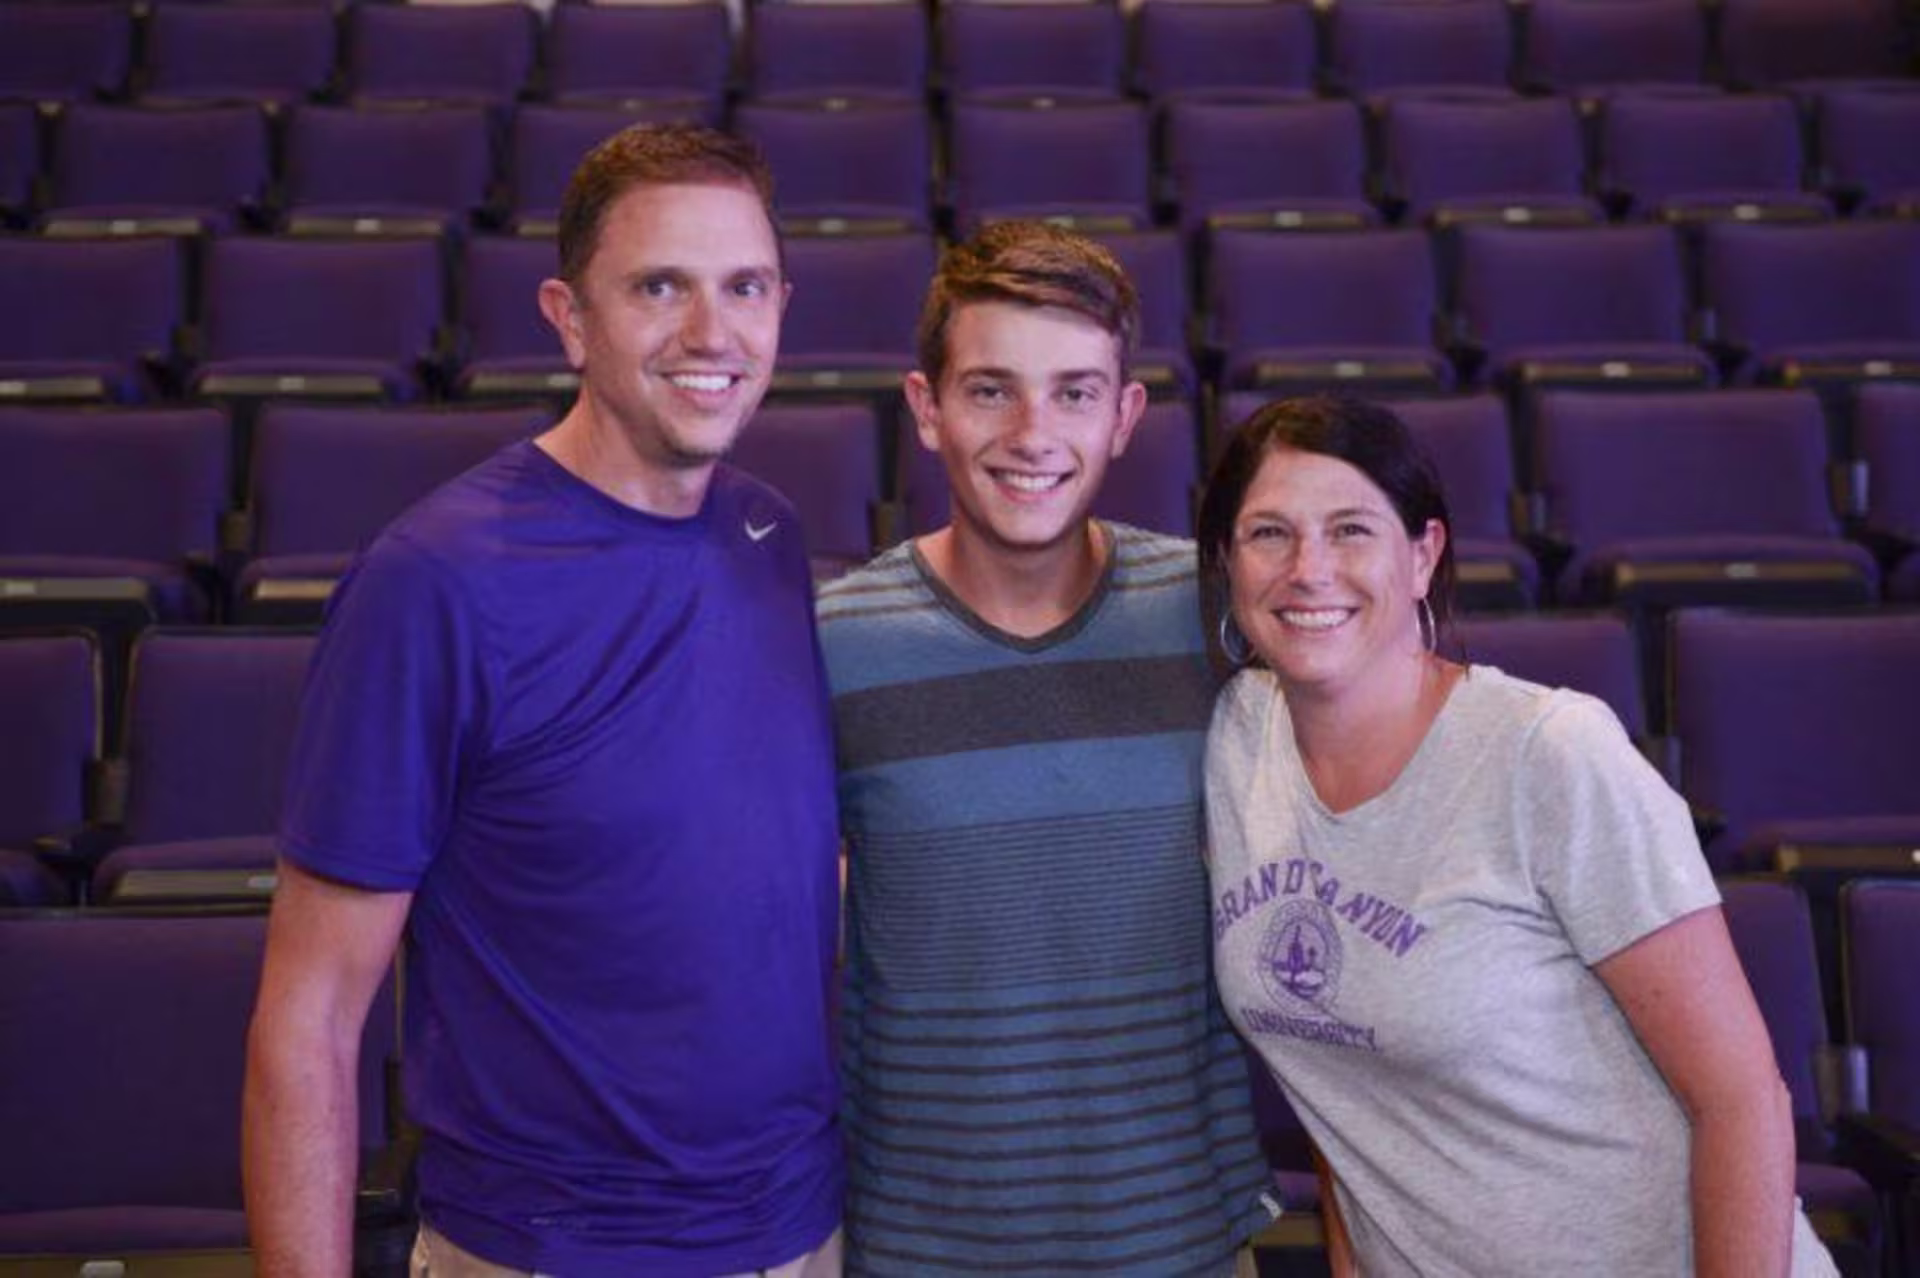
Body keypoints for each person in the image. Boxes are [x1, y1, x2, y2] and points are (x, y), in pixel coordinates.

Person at [242, 124, 844, 1278]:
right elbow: (309, 1018)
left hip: (803, 1234)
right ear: (570, 317)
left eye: (746, 287)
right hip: (550, 1251)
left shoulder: (772, 533)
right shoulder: (435, 579)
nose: (713, 334)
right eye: (660, 287)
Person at [1196, 393, 1838, 1277]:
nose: (1309, 569)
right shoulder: (1236, 743)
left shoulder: (1550, 754)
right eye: (1270, 533)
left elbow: (1740, 1099)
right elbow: (1347, 1095)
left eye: (1351, 530)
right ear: (1228, 561)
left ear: (1423, 556)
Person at [815, 222, 1275, 1276]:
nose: (1033, 432)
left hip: (1186, 1245)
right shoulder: (832, 641)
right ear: (926, 409)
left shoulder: (1219, 615)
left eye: (1073, 392)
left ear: (1124, 417)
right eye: (990, 390)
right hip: (919, 1251)